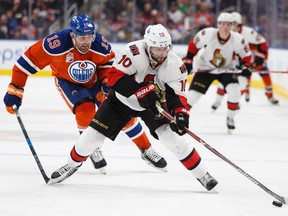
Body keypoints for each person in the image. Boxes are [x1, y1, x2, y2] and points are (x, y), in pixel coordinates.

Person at [47, 23, 218, 191]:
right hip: (121, 101)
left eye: (166, 48)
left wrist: (180, 114)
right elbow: (113, 77)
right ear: (148, 45)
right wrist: (140, 91)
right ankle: (71, 165)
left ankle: (203, 174)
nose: (162, 53)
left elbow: (177, 96)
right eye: (158, 49)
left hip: (153, 105)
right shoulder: (133, 51)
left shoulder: (175, 64)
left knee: (171, 138)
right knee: (92, 137)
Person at [3, 14, 167, 174]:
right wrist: (15, 89)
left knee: (121, 111)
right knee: (85, 111)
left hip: (95, 81)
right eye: (82, 38)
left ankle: (146, 149)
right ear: (72, 35)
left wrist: (105, 82)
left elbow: (109, 64)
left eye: (89, 37)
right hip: (68, 82)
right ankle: (92, 147)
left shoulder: (99, 44)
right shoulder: (55, 44)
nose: (86, 42)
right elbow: (23, 65)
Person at [182, 12, 252, 132]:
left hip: (227, 70)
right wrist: (188, 60)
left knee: (235, 92)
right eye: (223, 24)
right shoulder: (207, 34)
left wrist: (246, 66)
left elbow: (246, 55)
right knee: (192, 97)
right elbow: (193, 45)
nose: (226, 27)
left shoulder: (237, 39)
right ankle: (180, 118)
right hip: (206, 69)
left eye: (229, 24)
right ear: (218, 24)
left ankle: (230, 118)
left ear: (231, 26)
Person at [211, 11, 279, 110]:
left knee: (265, 76)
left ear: (239, 25)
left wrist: (261, 57)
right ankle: (220, 101)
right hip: (236, 62)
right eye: (230, 24)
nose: (232, 27)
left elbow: (263, 43)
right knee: (227, 81)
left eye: (234, 25)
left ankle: (270, 96)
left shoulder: (249, 33)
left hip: (253, 61)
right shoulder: (226, 34)